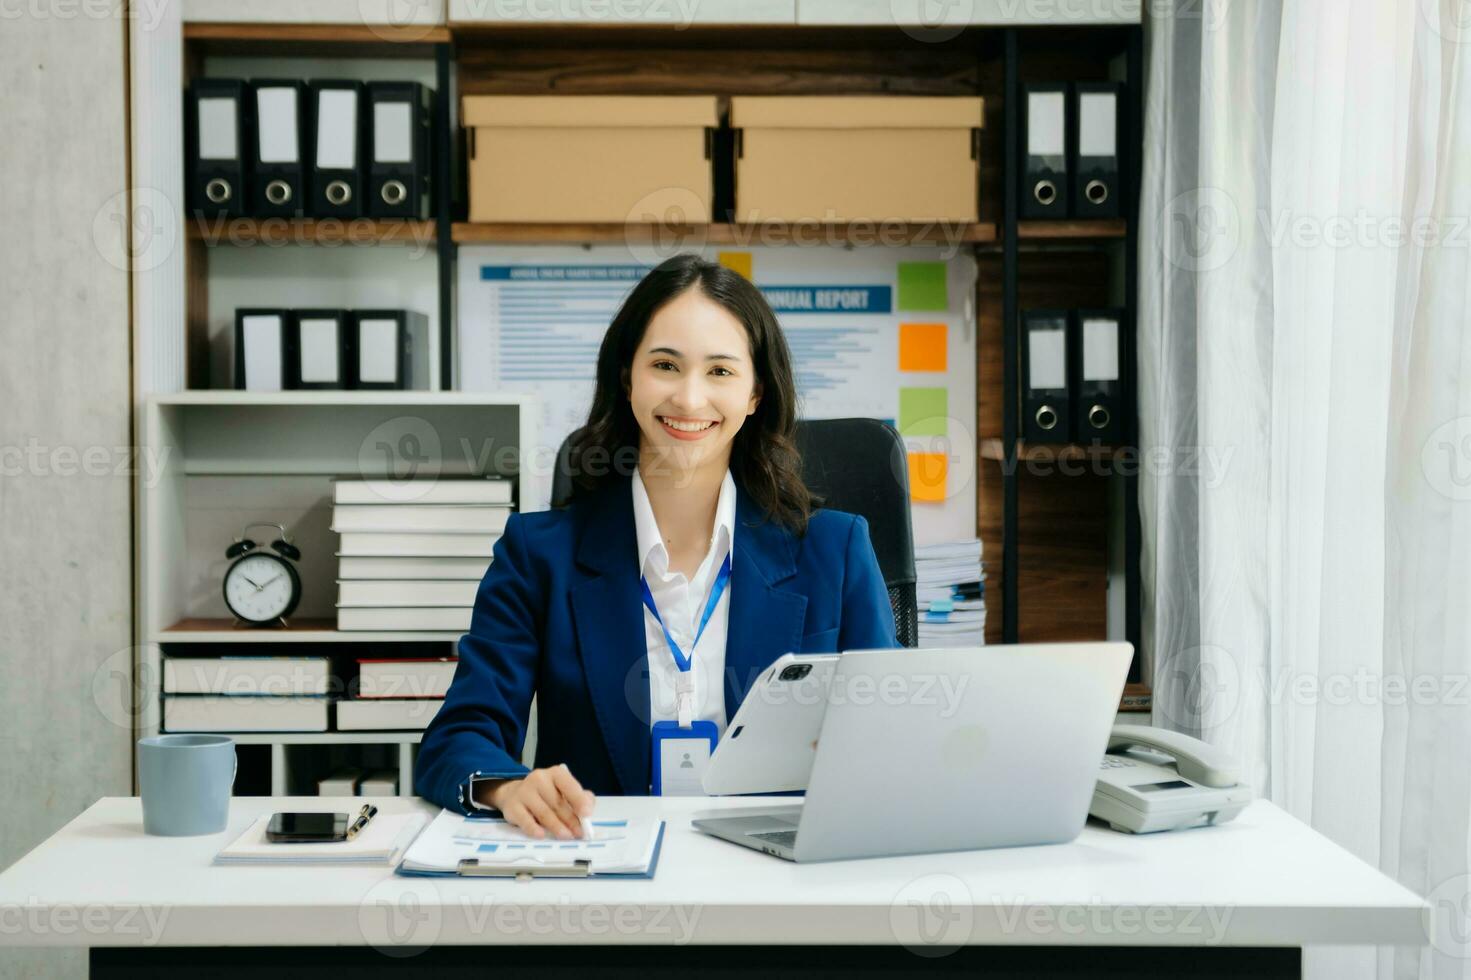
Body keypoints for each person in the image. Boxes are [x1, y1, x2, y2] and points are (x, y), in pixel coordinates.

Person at [414, 253, 897, 838]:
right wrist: (507, 785)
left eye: (720, 371)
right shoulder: (538, 554)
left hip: (777, 879)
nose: (690, 400)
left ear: (755, 394)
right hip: (606, 879)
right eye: (666, 364)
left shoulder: (835, 551)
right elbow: (459, 737)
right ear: (628, 376)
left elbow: (891, 739)